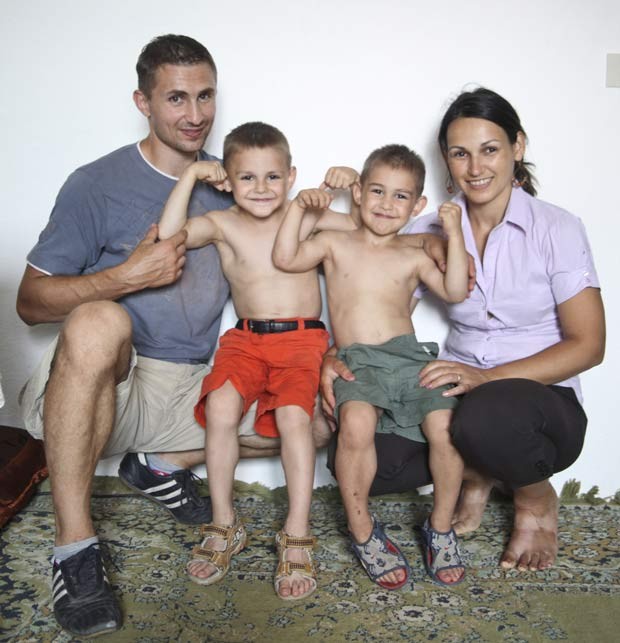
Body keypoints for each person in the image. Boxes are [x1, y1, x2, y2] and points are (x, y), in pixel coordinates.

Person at [15, 35, 299, 637]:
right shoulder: (97, 183)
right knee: (99, 318)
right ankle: (75, 551)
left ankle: (157, 466)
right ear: (143, 101)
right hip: (108, 384)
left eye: (205, 96)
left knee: (315, 414)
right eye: (176, 98)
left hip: (187, 384)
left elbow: (302, 232)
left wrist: (346, 184)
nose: (195, 115)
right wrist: (122, 277)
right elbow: (29, 303)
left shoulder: (234, 179)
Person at [321, 87, 606, 575]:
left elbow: (590, 345)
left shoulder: (556, 228)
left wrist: (485, 379)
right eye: (460, 153)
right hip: (454, 388)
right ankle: (479, 471)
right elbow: (375, 299)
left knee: (486, 416)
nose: (475, 167)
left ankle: (535, 500)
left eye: (489, 149)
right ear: (446, 161)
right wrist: (334, 354)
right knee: (368, 453)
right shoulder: (427, 229)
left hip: (540, 401)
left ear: (518, 147)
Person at [158, 121, 362, 600]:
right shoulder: (223, 223)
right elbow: (168, 237)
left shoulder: (304, 215)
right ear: (227, 179)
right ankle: (224, 523)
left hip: (301, 340)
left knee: (295, 418)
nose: (261, 188)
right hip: (245, 340)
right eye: (247, 177)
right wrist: (189, 177)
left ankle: (295, 532)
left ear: (290, 176)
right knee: (222, 411)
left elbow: (363, 226)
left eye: (272, 177)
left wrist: (350, 184)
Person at [273, 144, 469, 589]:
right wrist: (305, 201)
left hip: (409, 355)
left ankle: (440, 529)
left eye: (401, 196)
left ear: (418, 206)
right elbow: (285, 257)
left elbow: (456, 290)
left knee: (445, 424)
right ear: (358, 193)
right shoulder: (334, 242)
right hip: (357, 357)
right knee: (356, 425)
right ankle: (363, 531)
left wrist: (453, 232)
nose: (386, 204)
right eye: (377, 191)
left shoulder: (414, 253)